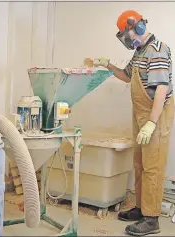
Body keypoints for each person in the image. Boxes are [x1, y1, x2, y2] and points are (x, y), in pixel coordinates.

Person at [94, 10, 174, 236]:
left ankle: (152, 218)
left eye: (126, 33)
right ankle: (141, 208)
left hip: (155, 114)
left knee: (153, 167)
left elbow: (161, 88)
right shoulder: (141, 51)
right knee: (140, 163)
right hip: (141, 113)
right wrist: (108, 65)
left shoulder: (158, 50)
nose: (127, 39)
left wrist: (151, 123)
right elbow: (128, 76)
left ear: (136, 27)